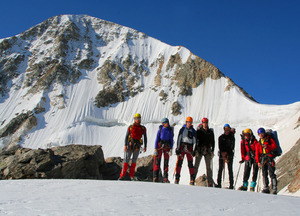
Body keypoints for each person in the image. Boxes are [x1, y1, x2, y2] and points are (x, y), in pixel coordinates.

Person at [119, 113, 147, 180]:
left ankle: (131, 176)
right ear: (134, 119)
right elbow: (126, 136)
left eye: (139, 118)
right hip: (130, 145)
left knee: (134, 161)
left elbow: (145, 137)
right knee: (126, 160)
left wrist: (145, 146)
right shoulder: (131, 127)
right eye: (136, 119)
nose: (138, 120)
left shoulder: (142, 128)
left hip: (137, 146)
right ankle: (122, 175)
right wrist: (125, 145)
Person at [174, 116, 196, 185]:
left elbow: (195, 141)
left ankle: (192, 179)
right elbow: (179, 139)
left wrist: (194, 150)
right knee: (179, 163)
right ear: (186, 122)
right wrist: (177, 148)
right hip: (182, 147)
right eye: (188, 122)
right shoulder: (182, 130)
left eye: (190, 122)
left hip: (189, 148)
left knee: (190, 164)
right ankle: (177, 178)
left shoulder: (193, 131)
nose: (189, 123)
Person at [255, 127, 278, 194]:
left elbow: (275, 146)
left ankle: (274, 188)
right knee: (264, 173)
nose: (261, 135)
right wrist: (258, 161)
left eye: (262, 133)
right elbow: (257, 152)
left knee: (271, 173)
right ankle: (266, 187)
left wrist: (267, 147)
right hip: (263, 158)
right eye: (260, 134)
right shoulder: (259, 142)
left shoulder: (269, 139)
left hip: (269, 157)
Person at [194, 117, 215, 187]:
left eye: (206, 122)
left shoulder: (210, 132)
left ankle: (210, 182)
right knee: (196, 166)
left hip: (208, 150)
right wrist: (196, 150)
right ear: (202, 123)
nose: (205, 124)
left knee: (208, 167)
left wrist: (212, 150)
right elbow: (196, 141)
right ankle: (192, 179)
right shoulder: (199, 131)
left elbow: (213, 142)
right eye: (204, 122)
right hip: (200, 149)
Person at [153, 118, 174, 183]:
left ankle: (165, 177)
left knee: (166, 162)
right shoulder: (160, 130)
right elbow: (157, 139)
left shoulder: (170, 130)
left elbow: (171, 139)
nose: (167, 123)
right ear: (163, 123)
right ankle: (155, 177)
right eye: (165, 122)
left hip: (166, 147)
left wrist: (171, 149)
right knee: (157, 161)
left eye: (167, 122)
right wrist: (155, 148)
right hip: (160, 146)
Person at [216, 124, 235, 189]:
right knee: (221, 169)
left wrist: (226, 153)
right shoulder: (221, 137)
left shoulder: (231, 137)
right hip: (223, 154)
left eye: (228, 129)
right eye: (226, 129)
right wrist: (223, 153)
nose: (227, 131)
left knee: (229, 169)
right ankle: (219, 184)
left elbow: (232, 147)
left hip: (228, 154)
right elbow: (220, 147)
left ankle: (231, 185)